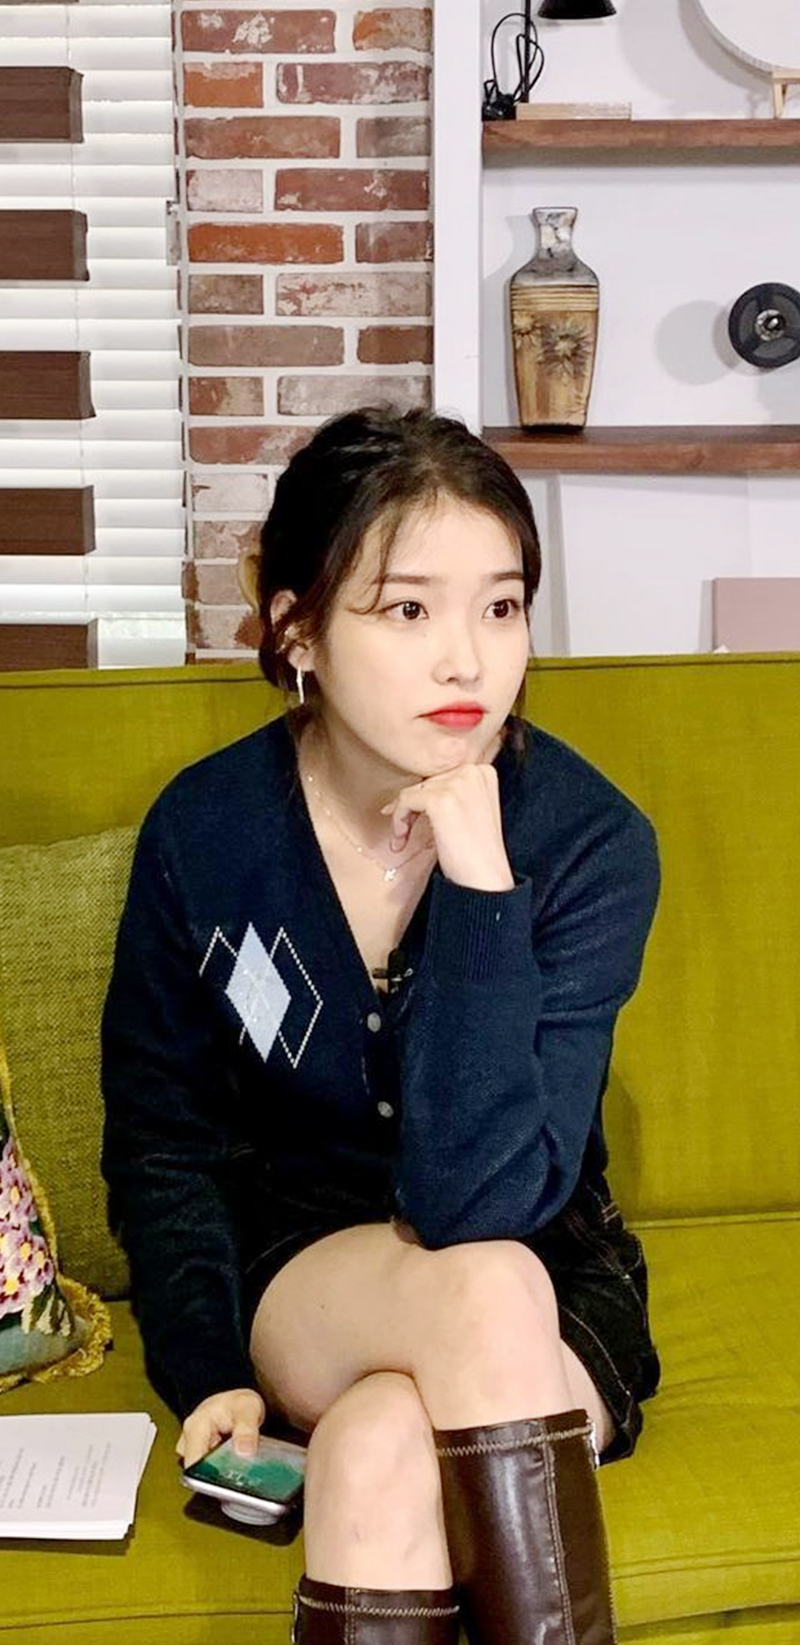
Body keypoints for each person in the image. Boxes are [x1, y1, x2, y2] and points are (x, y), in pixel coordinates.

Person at [101, 406, 661, 1645]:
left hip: (543, 1276)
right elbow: (161, 1140)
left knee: (376, 1443)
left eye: (500, 607)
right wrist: (207, 1369)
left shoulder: (588, 843)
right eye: (407, 609)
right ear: (298, 627)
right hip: (312, 1271)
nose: (466, 661)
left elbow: (483, 1204)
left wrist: (479, 884)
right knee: (476, 1294)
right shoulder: (207, 832)